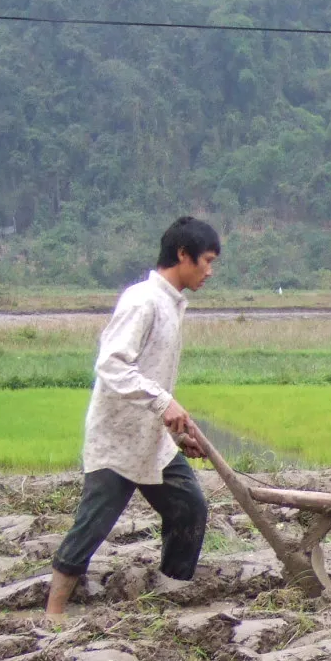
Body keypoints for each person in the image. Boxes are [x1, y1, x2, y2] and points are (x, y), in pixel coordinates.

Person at [46, 216, 220, 616]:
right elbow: (111, 364)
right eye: (206, 261)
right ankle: (53, 612)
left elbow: (152, 374)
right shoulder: (142, 300)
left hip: (152, 441)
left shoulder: (172, 304)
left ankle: (171, 591)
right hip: (118, 436)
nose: (210, 272)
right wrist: (164, 403)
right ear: (182, 254)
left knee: (189, 507)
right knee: (94, 523)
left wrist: (175, 432)